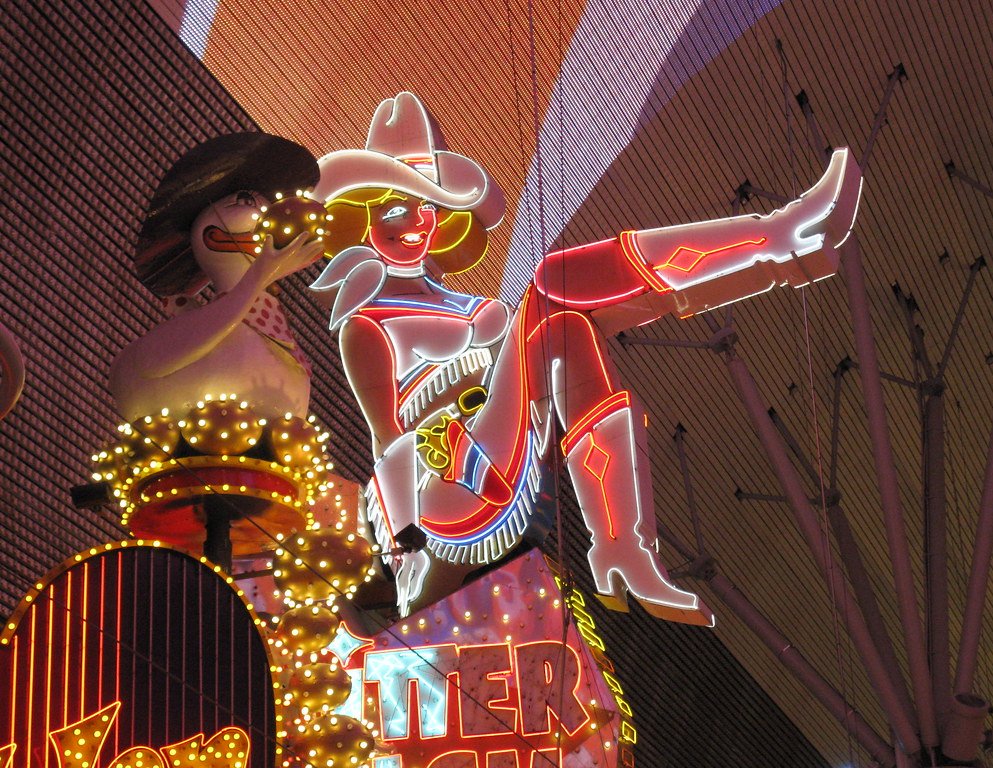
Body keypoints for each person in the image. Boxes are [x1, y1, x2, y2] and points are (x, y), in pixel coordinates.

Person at [311, 93, 861, 621]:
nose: (414, 223)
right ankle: (776, 235)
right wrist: (405, 546)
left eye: (426, 206)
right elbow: (389, 439)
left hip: (503, 462)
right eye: (394, 210)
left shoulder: (467, 304)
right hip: (443, 494)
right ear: (361, 219)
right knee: (553, 284)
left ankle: (622, 549)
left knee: (569, 322)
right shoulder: (365, 324)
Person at [110, 133, 324, 423]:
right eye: (247, 202)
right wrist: (261, 273)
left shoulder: (267, 327)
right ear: (209, 234)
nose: (267, 214)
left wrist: (264, 273)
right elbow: (150, 363)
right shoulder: (199, 326)